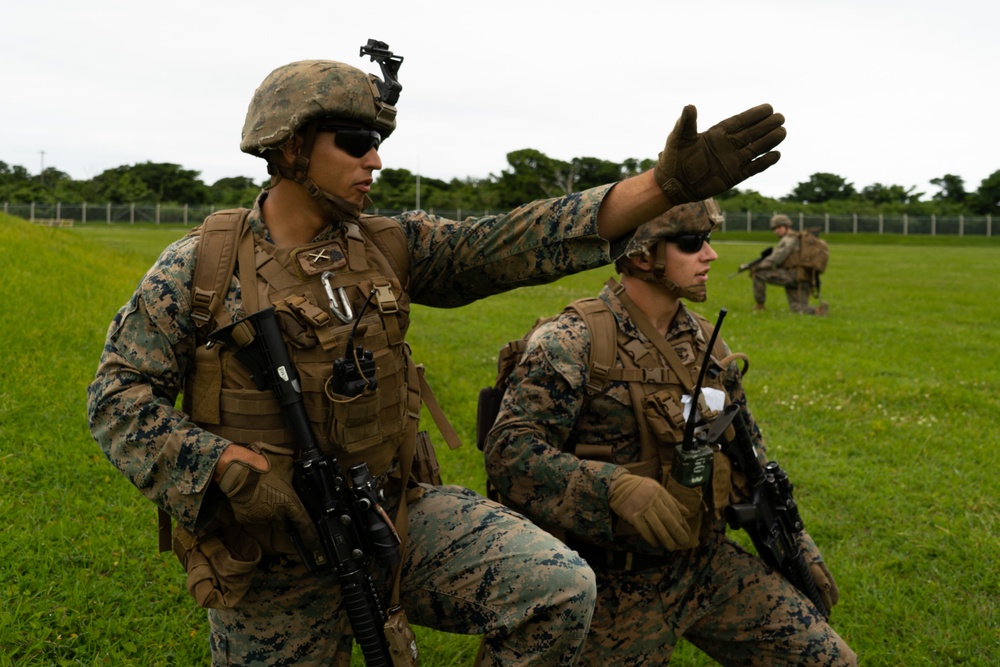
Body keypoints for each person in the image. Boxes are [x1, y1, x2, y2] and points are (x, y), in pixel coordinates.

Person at [87, 44, 786, 667]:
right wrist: (220, 466)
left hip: (394, 513)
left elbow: (510, 241)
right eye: (355, 140)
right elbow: (116, 399)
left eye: (379, 141)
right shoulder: (202, 269)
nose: (375, 159)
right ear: (292, 148)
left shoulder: (390, 246)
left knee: (558, 589)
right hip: (268, 555)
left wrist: (660, 187)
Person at [483, 199, 856, 666]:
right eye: (692, 243)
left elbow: (749, 455)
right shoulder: (573, 341)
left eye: (708, 242)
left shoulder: (707, 342)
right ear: (643, 256)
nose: (710, 255)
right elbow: (510, 451)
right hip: (607, 581)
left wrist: (798, 544)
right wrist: (613, 488)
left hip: (703, 565)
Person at [749, 213, 828, 314]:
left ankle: (759, 306)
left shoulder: (788, 239)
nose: (776, 231)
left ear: (785, 227)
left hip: (793, 275)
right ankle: (818, 311)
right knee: (797, 309)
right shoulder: (798, 237)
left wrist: (758, 266)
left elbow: (776, 258)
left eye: (778, 228)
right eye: (774, 229)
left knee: (758, 274)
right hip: (805, 278)